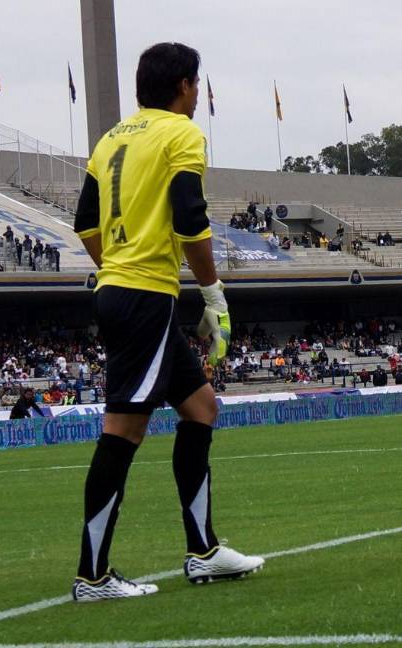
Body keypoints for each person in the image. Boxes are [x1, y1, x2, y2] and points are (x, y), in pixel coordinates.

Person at [70, 42, 263, 602]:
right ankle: (92, 577)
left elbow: (85, 220)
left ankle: (202, 552)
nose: (197, 94)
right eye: (196, 84)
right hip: (144, 297)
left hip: (124, 290)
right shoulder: (181, 134)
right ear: (183, 85)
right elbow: (189, 215)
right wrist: (213, 292)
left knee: (201, 407)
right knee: (124, 429)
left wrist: (117, 267)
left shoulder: (111, 139)